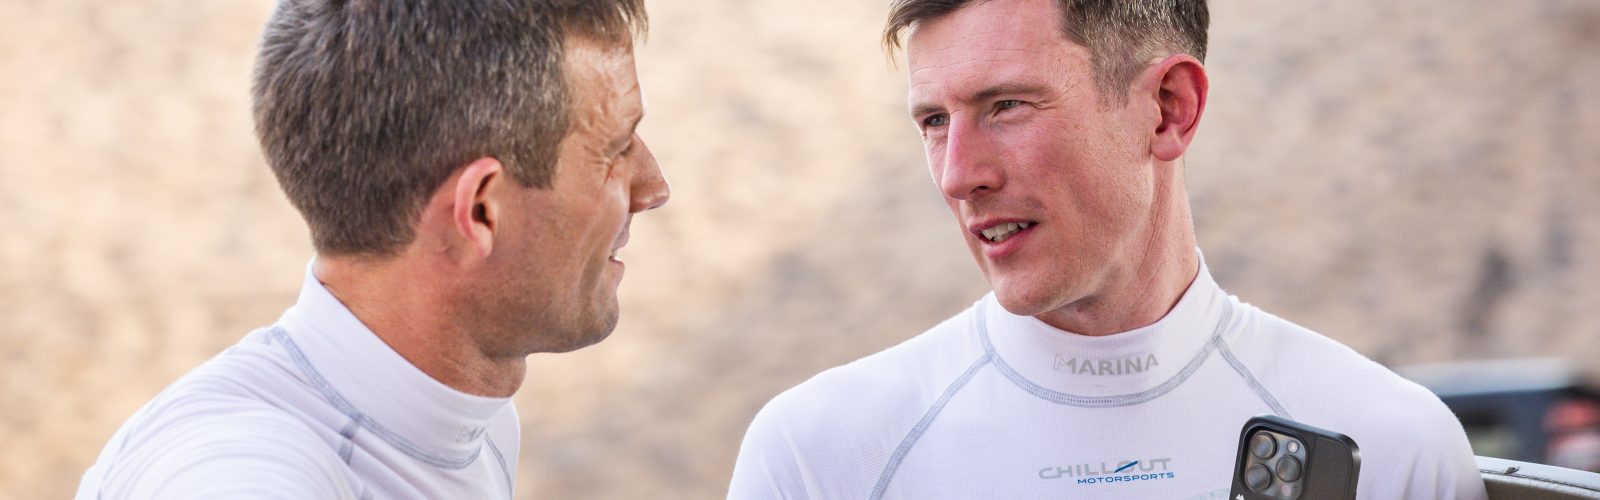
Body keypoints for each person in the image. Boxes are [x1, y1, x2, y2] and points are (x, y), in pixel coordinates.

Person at [727, 0, 1486, 498]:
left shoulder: (1392, 445)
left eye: (1006, 106)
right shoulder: (817, 456)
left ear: (1168, 110)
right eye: (933, 121)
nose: (959, 175)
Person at [75, 0, 666, 498]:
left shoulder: (470, 419)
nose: (653, 187)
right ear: (481, 211)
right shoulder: (242, 466)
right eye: (615, 149)